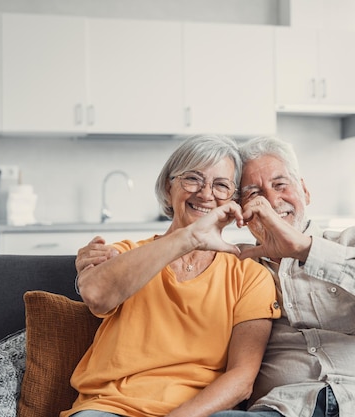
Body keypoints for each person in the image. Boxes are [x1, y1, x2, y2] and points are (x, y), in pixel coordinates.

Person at [210, 136, 355, 417]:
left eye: (280, 185)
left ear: (304, 191)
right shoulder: (239, 267)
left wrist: (305, 249)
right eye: (254, 193)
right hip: (283, 408)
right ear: (241, 212)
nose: (271, 200)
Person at [65, 134, 281, 417]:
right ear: (169, 188)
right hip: (110, 408)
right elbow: (96, 296)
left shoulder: (249, 275)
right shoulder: (128, 254)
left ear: (233, 200)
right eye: (192, 179)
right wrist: (187, 238)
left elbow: (241, 379)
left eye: (221, 185)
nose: (205, 194)